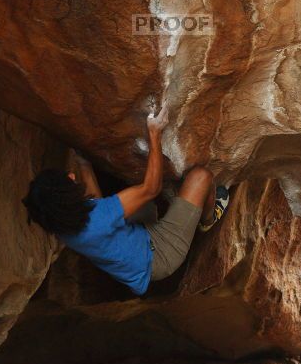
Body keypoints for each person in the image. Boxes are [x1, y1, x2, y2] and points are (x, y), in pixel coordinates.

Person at [23, 106, 230, 295]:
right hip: (160, 255)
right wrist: (154, 132)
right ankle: (208, 218)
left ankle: (174, 209)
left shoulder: (61, 222)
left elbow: (96, 204)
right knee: (201, 176)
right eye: (67, 180)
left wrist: (84, 164)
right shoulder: (98, 220)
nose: (71, 176)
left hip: (135, 247)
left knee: (141, 200)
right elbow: (151, 188)